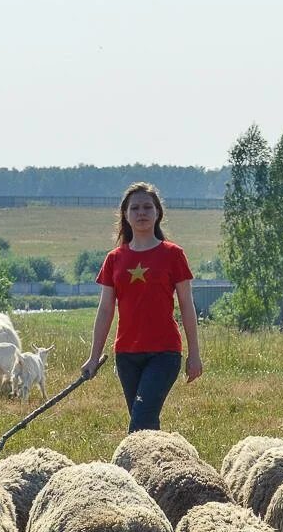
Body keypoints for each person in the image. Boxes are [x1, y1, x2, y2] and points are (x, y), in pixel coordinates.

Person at [81, 182, 203, 430]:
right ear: (125, 215)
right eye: (134, 208)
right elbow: (105, 310)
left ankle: (134, 467)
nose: (141, 213)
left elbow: (187, 307)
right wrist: (93, 357)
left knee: (141, 420)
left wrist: (195, 354)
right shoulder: (114, 259)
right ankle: (154, 467)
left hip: (164, 353)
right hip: (126, 355)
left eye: (148, 207)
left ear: (158, 212)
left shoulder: (173, 255)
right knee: (145, 423)